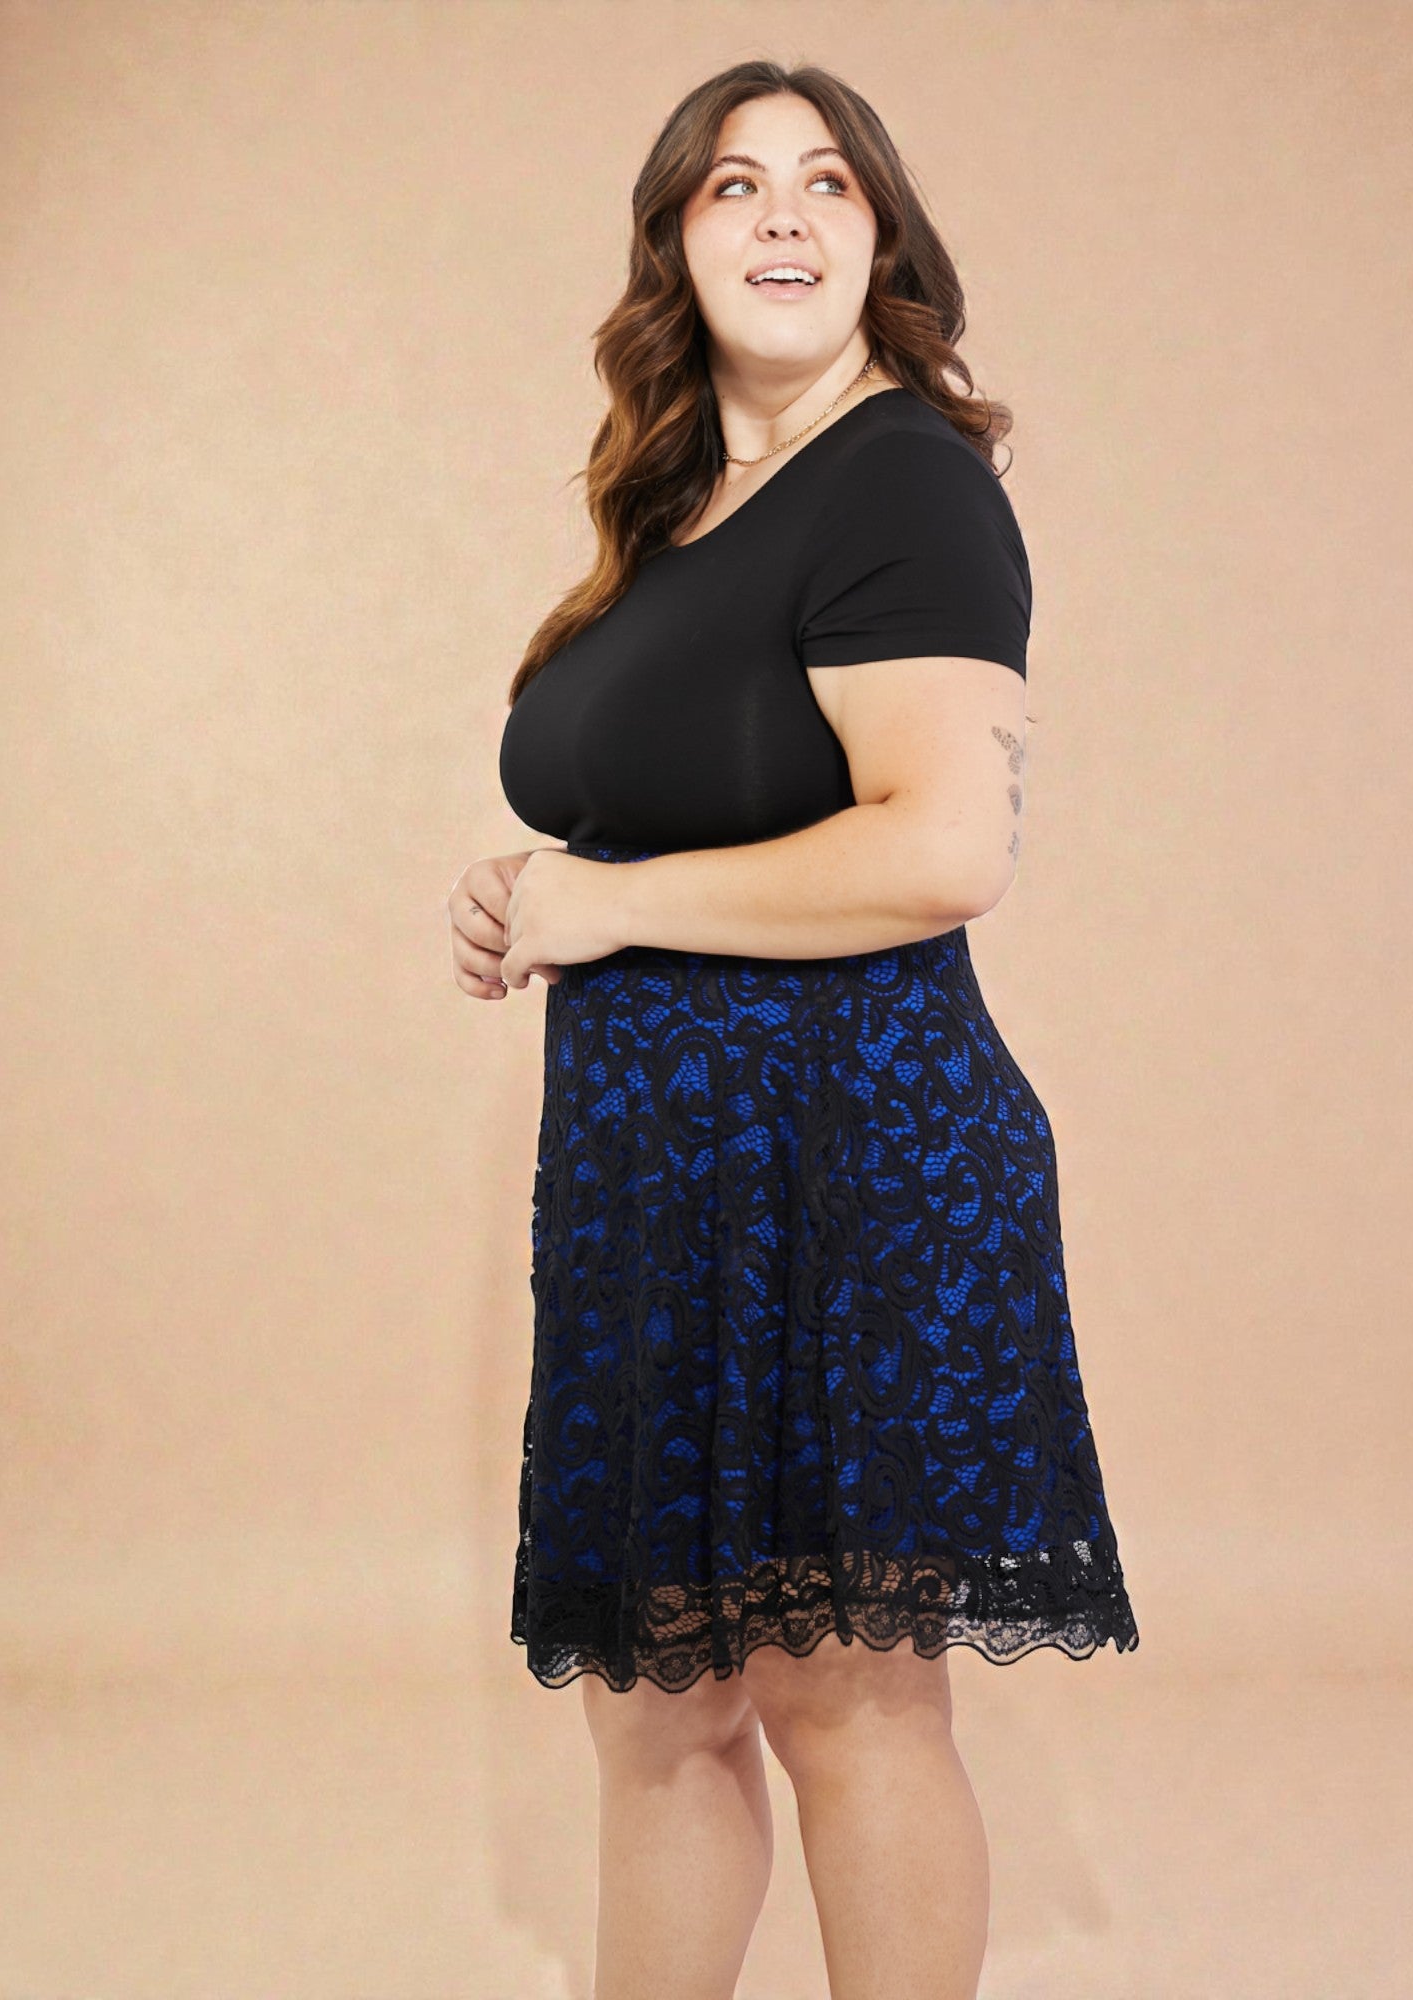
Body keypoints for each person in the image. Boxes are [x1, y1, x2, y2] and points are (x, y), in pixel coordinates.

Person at [447, 60, 1138, 2000]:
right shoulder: (677, 511)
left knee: (848, 1700)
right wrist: (538, 884)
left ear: (879, 240)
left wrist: (614, 903)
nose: (780, 214)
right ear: (672, 243)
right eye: (732, 184)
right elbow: (686, 805)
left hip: (852, 1159)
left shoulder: (901, 476)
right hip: (658, 1183)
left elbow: (944, 844)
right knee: (658, 1715)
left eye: (826, 183)